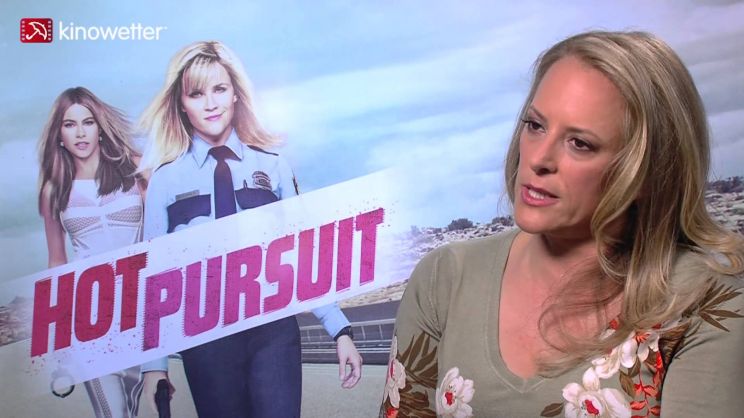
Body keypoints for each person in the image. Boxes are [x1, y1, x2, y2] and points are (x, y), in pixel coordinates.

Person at [382, 31, 744, 418]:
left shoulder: (708, 305)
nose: (539, 158)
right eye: (535, 125)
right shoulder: (445, 278)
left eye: (580, 143)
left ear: (647, 172)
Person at [138, 40, 362, 417]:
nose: (210, 103)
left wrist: (340, 330)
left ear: (236, 94)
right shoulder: (164, 181)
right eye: (196, 93)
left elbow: (303, 256)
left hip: (273, 331)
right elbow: (156, 277)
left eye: (219, 89)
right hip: (205, 338)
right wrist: (154, 365)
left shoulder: (274, 167)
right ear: (181, 103)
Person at [37, 87, 146, 418]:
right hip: (89, 317)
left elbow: (161, 235)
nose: (80, 133)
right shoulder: (54, 190)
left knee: (132, 407)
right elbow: (57, 261)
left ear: (100, 127)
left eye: (88, 122)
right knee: (112, 413)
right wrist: (56, 337)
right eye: (70, 125)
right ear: (59, 134)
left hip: (141, 310)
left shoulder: (136, 169)